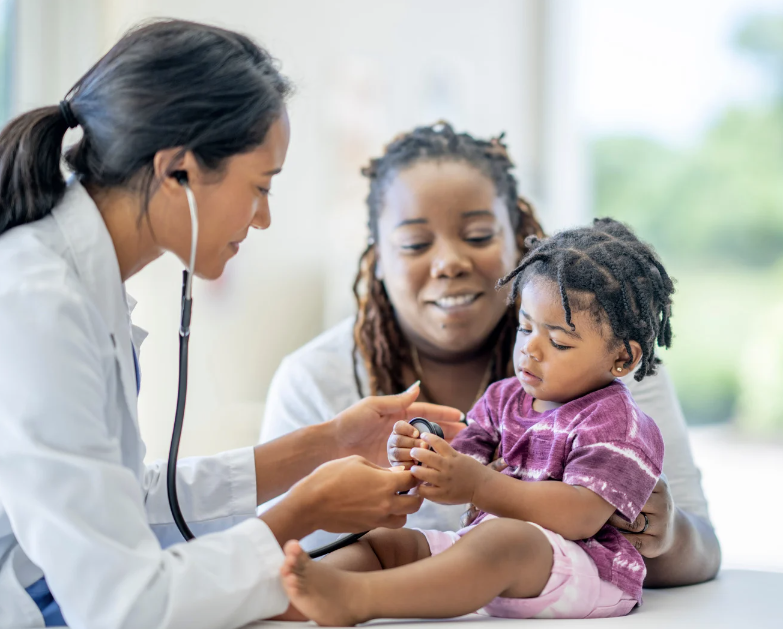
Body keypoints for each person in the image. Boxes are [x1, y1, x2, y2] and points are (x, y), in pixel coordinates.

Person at [0, 21, 460, 629]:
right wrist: (303, 510)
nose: (263, 219)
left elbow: (124, 497)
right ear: (178, 172)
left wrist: (328, 444)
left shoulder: (80, 282)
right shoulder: (37, 303)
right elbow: (125, 605)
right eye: (260, 187)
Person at [261, 122, 721, 586]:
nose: (449, 262)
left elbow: (704, 552)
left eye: (479, 236)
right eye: (415, 244)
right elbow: (268, 555)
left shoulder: (607, 361)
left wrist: (668, 534)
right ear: (377, 258)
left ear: (522, 240)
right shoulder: (314, 379)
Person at [278, 219, 671, 625]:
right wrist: (424, 455)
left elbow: (580, 517)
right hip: (491, 559)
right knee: (388, 545)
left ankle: (358, 599)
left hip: (587, 571)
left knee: (503, 540)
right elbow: (462, 461)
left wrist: (481, 485)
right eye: (525, 328)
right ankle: (289, 596)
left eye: (558, 342)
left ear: (622, 358)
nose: (530, 350)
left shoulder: (619, 423)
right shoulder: (503, 398)